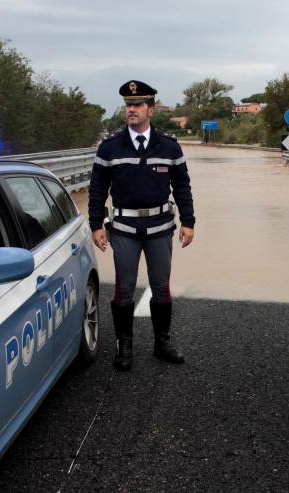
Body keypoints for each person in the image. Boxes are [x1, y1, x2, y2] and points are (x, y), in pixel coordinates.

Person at [88, 80, 195, 371]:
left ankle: (162, 343)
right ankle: (125, 347)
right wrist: (96, 224)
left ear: (151, 109)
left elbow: (182, 186)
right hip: (124, 229)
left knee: (161, 288)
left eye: (137, 105)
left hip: (160, 228)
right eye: (128, 105)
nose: (131, 110)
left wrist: (188, 221)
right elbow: (97, 189)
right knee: (124, 290)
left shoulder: (169, 147)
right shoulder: (110, 148)